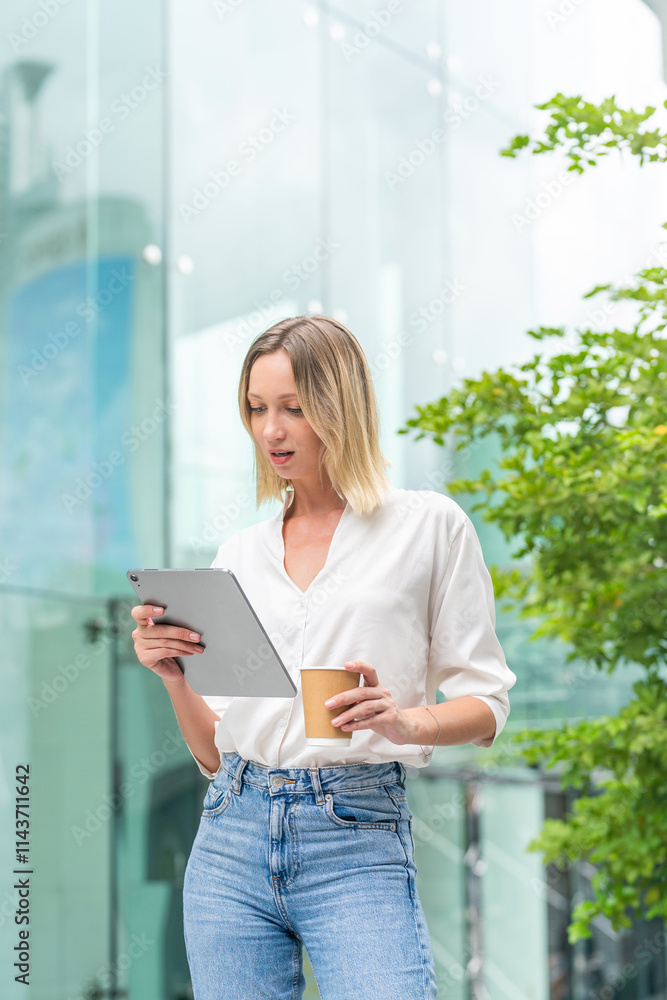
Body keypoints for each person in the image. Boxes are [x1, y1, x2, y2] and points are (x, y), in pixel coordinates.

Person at [130, 314, 517, 1000]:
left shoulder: (427, 528)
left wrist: (406, 722)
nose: (270, 430)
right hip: (230, 833)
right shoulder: (237, 558)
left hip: (355, 835)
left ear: (340, 407)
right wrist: (174, 676)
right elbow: (217, 754)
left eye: (293, 409)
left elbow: (486, 702)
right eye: (255, 409)